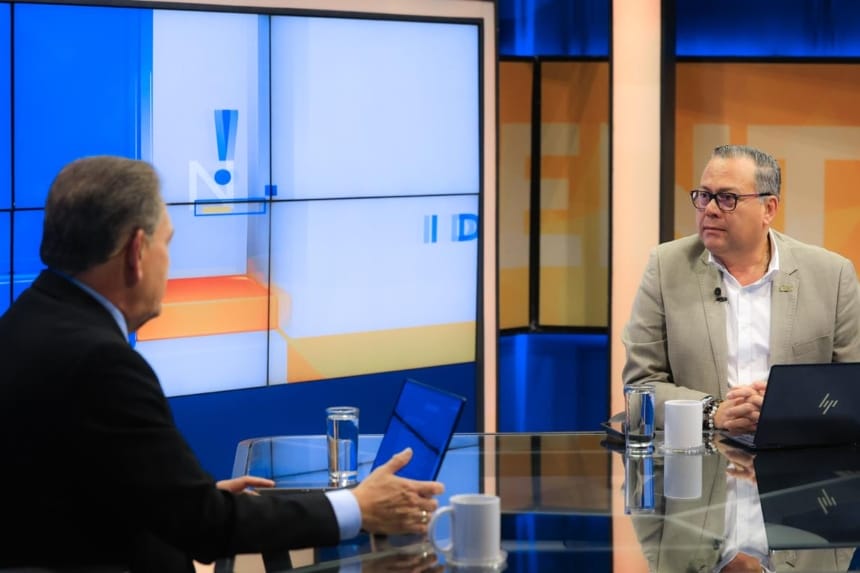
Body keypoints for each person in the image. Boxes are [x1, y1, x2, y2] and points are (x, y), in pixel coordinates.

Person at [0, 156, 444, 572]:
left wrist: (182, 497)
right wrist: (357, 506)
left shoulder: (28, 319)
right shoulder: (101, 363)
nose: (169, 264)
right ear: (137, 252)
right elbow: (206, 528)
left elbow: (71, 487)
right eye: (167, 243)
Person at [622, 144, 860, 433]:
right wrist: (712, 412)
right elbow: (639, 389)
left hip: (798, 454)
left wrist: (786, 405)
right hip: (701, 453)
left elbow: (852, 388)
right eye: (704, 196)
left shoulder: (832, 276)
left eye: (727, 198)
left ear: (768, 209)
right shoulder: (665, 267)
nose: (710, 210)